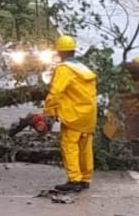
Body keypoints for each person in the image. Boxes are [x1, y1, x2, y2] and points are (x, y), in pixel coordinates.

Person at [42, 35, 98, 193]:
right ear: (73, 51)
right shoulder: (84, 69)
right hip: (88, 114)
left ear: (59, 52)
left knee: (70, 146)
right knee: (85, 147)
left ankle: (74, 179)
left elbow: (56, 92)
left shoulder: (64, 70)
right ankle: (85, 178)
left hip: (73, 115)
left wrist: (49, 111)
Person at [103, 56, 139, 156]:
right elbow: (112, 94)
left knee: (135, 137)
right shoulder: (121, 78)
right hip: (118, 112)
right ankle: (105, 153)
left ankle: (135, 158)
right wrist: (117, 108)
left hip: (135, 114)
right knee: (109, 132)